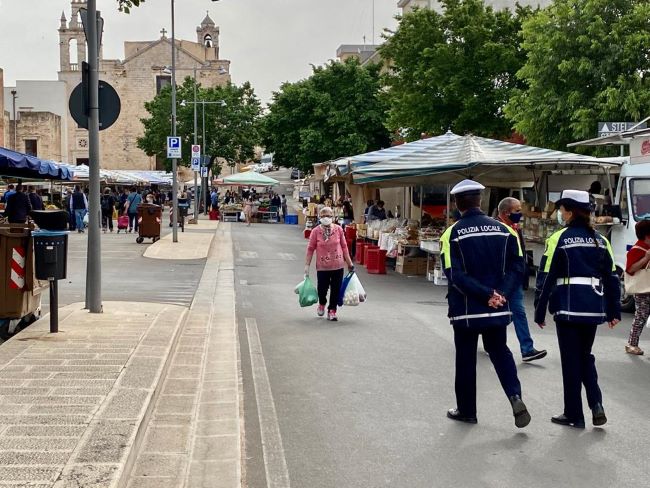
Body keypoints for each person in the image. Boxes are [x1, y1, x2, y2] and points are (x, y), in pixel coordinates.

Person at [440, 180, 530, 428]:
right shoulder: (507, 231)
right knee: (500, 350)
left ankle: (467, 410)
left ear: (458, 203)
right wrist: (501, 294)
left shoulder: (452, 234)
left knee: (466, 358)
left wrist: (485, 294)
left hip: (466, 309)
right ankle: (515, 396)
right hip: (497, 307)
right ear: (481, 200)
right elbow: (518, 268)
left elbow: (454, 274)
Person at [535, 189, 621, 428]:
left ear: (570, 212)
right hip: (593, 308)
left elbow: (546, 277)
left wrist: (539, 310)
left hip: (568, 308)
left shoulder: (559, 238)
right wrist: (613, 311)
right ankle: (596, 403)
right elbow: (612, 277)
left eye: (562, 210)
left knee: (571, 361)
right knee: (585, 356)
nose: (560, 214)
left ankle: (574, 414)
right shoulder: (601, 241)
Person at [496, 198, 547, 362]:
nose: (520, 214)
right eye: (517, 211)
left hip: (515, 278)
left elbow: (520, 255)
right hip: (500, 278)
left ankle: (527, 349)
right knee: (498, 313)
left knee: (518, 312)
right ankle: (494, 343)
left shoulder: (515, 228)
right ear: (505, 213)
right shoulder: (497, 229)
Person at [305, 206, 354, 322]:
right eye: (323, 216)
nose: (326, 218)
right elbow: (310, 249)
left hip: (338, 265)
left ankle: (332, 310)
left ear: (333, 217)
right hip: (322, 267)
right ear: (319, 217)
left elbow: (344, 246)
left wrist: (349, 263)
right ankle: (322, 303)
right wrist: (307, 265)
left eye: (328, 215)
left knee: (335, 290)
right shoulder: (315, 231)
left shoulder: (338, 230)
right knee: (322, 289)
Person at [623, 220, 650, 355]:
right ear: (647, 235)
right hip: (643, 290)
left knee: (642, 316)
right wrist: (645, 259)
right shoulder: (637, 249)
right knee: (641, 316)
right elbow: (630, 269)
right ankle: (632, 344)